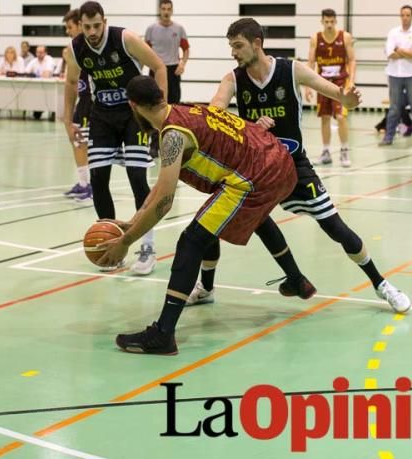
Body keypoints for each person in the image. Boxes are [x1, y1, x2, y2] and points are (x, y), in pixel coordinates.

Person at [182, 18, 411, 312]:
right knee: (213, 220)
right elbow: (215, 114)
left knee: (336, 228)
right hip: (256, 169)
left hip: (293, 165)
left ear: (256, 44)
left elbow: (337, 95)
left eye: (238, 46)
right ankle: (207, 288)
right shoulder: (233, 79)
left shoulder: (291, 70)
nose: (234, 53)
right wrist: (248, 125)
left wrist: (348, 98)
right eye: (231, 47)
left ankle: (382, 285)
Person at [102, 76, 308, 355]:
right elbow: (161, 189)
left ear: (132, 105)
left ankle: (163, 334)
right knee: (232, 220)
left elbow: (164, 200)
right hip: (277, 162)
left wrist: (126, 240)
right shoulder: (185, 110)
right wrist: (134, 220)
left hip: (256, 176)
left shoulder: (173, 135)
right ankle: (296, 280)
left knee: (191, 241)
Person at [62, 1, 167, 275]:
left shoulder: (125, 39)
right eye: (87, 26)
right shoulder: (76, 48)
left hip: (135, 115)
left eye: (97, 25)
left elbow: (159, 66)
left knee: (136, 177)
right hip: (102, 116)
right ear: (81, 25)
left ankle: (147, 247)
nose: (93, 31)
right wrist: (67, 118)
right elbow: (72, 82)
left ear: (104, 21)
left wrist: (162, 112)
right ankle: (111, 243)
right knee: (98, 179)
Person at [307, 9, 355, 165]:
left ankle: (344, 150)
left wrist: (351, 81)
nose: (329, 24)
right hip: (322, 83)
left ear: (335, 21)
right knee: (325, 117)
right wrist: (307, 86)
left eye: (331, 21)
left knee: (341, 116)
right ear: (322, 22)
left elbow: (352, 60)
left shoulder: (345, 37)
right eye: (326, 21)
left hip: (340, 82)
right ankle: (326, 151)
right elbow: (311, 63)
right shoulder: (315, 38)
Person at [381, 4, 412, 146]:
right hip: (394, 75)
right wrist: (405, 52)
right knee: (394, 108)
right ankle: (388, 137)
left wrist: (398, 49)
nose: (405, 18)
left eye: (408, 15)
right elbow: (389, 54)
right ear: (400, 16)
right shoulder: (393, 32)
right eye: (403, 15)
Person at [62, 9, 92, 201]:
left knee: (84, 144)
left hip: (92, 101)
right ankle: (83, 183)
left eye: (69, 27)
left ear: (80, 25)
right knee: (76, 141)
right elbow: (70, 82)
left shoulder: (89, 47)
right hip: (82, 101)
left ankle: (90, 186)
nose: (67, 31)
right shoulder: (72, 50)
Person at [144, 0, 189, 104]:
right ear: (160, 10)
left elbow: (186, 49)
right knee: (155, 99)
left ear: (172, 11)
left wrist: (182, 64)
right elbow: (145, 50)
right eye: (163, 9)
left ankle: (173, 120)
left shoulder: (179, 28)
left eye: (169, 9)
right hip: (155, 68)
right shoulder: (151, 29)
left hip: (173, 69)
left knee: (174, 100)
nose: (166, 12)